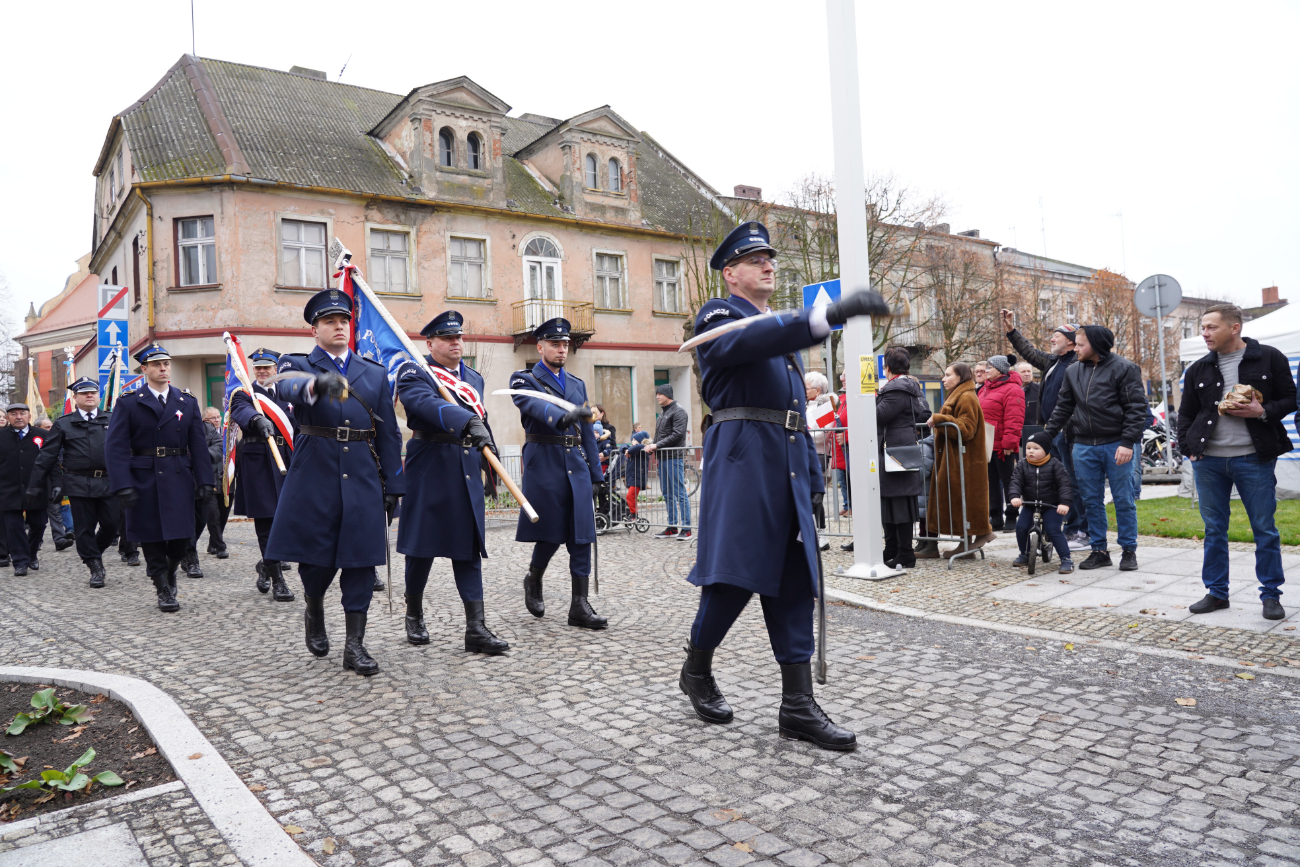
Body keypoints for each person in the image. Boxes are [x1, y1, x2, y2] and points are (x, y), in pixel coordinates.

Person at [678, 220, 889, 752]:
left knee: (796, 577)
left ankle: (796, 705)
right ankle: (696, 668)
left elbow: (794, 413)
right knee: (733, 578)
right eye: (755, 259)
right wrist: (823, 316)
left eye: (770, 257)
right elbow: (752, 340)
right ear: (730, 273)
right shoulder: (720, 315)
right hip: (745, 462)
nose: (768, 264)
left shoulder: (777, 329)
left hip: (788, 463)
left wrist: (814, 481)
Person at [265, 290, 403, 675]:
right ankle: (314, 606)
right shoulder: (297, 362)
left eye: (344, 321)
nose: (339, 326)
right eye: (329, 322)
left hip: (362, 472)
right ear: (315, 330)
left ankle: (354, 645)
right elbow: (285, 385)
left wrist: (395, 486)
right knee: (316, 559)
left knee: (361, 560)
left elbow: (388, 433)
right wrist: (315, 385)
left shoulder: (373, 372)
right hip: (315, 471)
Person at [396, 310, 509, 654]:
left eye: (458, 337)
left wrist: (490, 467)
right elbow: (425, 404)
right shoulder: (415, 371)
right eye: (447, 338)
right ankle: (413, 612)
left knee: (468, 547)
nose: (455, 343)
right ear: (430, 343)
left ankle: (475, 627)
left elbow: (481, 423)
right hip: (429, 463)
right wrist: (465, 422)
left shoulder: (473, 378)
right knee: (420, 547)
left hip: (465, 466)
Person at [1177, 303, 1297, 621]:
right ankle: (1217, 593)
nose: (1204, 333)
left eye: (1211, 327)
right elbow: (1186, 413)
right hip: (1209, 461)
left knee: (1264, 528)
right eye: (1202, 328)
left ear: (1234, 327)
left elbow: (1290, 397)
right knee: (1214, 529)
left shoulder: (1269, 357)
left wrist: (1264, 411)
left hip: (1254, 458)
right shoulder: (1198, 368)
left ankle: (1271, 595)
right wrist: (1188, 448)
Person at [510, 317, 606, 630]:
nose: (561, 348)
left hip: (574, 462)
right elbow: (535, 407)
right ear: (540, 347)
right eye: (555, 343)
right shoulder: (524, 379)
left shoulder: (577, 383)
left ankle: (579, 604)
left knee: (581, 534)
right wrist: (566, 415)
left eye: (565, 344)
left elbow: (588, 432)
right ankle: (533, 578)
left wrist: (596, 474)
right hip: (545, 461)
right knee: (550, 532)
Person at [105, 344, 215, 611]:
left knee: (182, 537)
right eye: (156, 364)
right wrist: (122, 484)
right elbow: (115, 446)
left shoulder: (186, 401)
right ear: (144, 369)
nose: (163, 368)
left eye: (166, 363)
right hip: (144, 475)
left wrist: (205, 481)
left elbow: (198, 445)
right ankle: (162, 586)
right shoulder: (129, 402)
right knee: (151, 535)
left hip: (179, 474)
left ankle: (170, 569)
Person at [1044, 326, 1147, 572]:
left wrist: (1127, 442)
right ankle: (1099, 550)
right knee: (1091, 501)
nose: (1075, 349)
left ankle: (1128, 550)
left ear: (1096, 344)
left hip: (1116, 444)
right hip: (1083, 445)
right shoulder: (1073, 370)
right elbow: (1063, 407)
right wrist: (1046, 436)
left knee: (1123, 500)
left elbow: (1136, 409)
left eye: (1080, 345)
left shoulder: (1125, 368)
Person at [1002, 312, 1088, 550]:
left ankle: (1081, 530)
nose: (1052, 339)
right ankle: (1069, 528)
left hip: (1070, 432)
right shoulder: (1054, 361)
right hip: (1053, 432)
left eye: (1057, 336)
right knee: (1062, 482)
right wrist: (1011, 330)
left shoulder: (1077, 362)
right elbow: (1029, 352)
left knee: (1073, 481)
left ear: (1071, 341)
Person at [28, 378, 118, 587]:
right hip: (78, 482)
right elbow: (47, 456)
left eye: (93, 392)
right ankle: (94, 565)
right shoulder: (64, 423)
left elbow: (125, 450)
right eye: (84, 393)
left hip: (108, 481)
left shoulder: (112, 419)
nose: (89, 396)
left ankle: (93, 552)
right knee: (84, 528)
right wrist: (35, 484)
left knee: (112, 525)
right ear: (75, 397)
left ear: (98, 396)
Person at [230, 348, 297, 601]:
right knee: (267, 524)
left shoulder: (288, 394)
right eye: (258, 367)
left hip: (287, 461)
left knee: (288, 522)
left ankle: (266, 566)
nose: (262, 371)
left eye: (267, 367)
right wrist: (257, 418)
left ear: (275, 369)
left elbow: (299, 425)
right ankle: (278, 580)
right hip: (258, 464)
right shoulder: (245, 394)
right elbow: (240, 411)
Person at [921, 363, 994, 558]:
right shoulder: (961, 395)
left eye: (947, 375)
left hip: (965, 459)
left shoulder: (967, 396)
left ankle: (970, 542)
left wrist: (938, 419)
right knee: (961, 500)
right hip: (958, 458)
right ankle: (968, 544)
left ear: (960, 377)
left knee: (965, 499)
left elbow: (966, 429)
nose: (943, 379)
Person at [876, 347, 931, 569]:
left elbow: (879, 415)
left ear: (887, 367)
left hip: (895, 451)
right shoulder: (907, 387)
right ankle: (893, 548)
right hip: (898, 448)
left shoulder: (896, 389)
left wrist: (869, 400)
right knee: (892, 499)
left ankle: (905, 553)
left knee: (898, 501)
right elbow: (920, 413)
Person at [1008, 431, 1074, 574]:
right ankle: (1024, 553)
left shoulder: (1055, 465)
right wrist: (1014, 496)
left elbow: (1065, 485)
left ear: (1046, 449)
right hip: (1030, 504)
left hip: (1051, 505)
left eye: (1036, 448)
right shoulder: (1022, 464)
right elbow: (1015, 482)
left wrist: (1064, 503)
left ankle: (1066, 559)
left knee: (1053, 529)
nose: (1031, 451)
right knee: (1021, 526)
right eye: (1028, 448)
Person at [0, 403, 52, 576]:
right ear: (7, 418)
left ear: (29, 416)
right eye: (13, 414)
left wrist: (56, 485)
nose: (18, 417)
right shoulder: (1, 436)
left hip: (37, 489)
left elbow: (51, 463)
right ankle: (20, 562)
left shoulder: (43, 435)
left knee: (38, 524)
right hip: (8, 490)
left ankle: (31, 553)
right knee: (14, 528)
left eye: (22, 413)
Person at [179, 406, 228, 577]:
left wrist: (199, 455)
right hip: (182, 482)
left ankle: (185, 551)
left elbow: (219, 446)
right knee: (187, 523)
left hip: (203, 482)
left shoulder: (208, 429)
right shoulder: (176, 429)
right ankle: (191, 558)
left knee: (200, 521)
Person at [979, 355, 1025, 531]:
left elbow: (1014, 419)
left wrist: (1009, 444)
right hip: (987, 442)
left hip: (1003, 446)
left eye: (989, 367)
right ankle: (995, 516)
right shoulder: (986, 388)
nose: (986, 370)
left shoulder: (1012, 389)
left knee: (1008, 481)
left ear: (999, 369)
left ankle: (1012, 515)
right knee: (990, 481)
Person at [648, 384, 691, 540]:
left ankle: (687, 528)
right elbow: (659, 435)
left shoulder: (678, 411)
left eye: (660, 394)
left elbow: (678, 435)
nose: (657, 396)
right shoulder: (663, 413)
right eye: (656, 394)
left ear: (667, 395)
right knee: (667, 494)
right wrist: (652, 444)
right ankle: (672, 527)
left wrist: (657, 445)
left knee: (679, 492)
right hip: (663, 458)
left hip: (674, 457)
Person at [36, 417, 74, 553]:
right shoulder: (33, 440)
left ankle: (60, 539)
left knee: (56, 511)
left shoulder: (55, 441)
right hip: (33, 484)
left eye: (51, 426)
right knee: (36, 518)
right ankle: (35, 541)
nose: (50, 430)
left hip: (50, 482)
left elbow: (56, 464)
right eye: (47, 427)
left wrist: (57, 484)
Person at [625, 422, 649, 517]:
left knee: (629, 496)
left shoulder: (643, 448)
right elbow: (623, 446)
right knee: (631, 497)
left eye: (634, 440)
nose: (632, 442)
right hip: (633, 477)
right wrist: (625, 450)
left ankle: (634, 515)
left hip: (638, 478)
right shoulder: (635, 448)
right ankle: (633, 514)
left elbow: (637, 447)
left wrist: (631, 448)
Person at [1017, 362, 1040, 432]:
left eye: (1029, 371)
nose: (1027, 374)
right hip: (1015, 430)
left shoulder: (1039, 390)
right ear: (1017, 374)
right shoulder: (1011, 391)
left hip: (1033, 431)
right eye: (1023, 372)